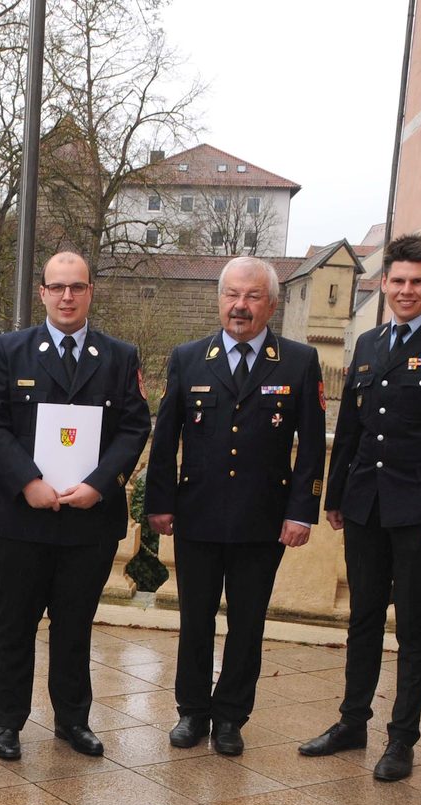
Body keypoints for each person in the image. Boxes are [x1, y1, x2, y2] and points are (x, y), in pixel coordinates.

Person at [302, 234, 421, 781]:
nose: (405, 290)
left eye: (417, 281)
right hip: (366, 504)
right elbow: (354, 428)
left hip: (420, 510)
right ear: (383, 284)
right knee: (362, 616)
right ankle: (351, 722)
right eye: (397, 281)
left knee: (412, 623)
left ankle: (402, 739)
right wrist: (336, 495)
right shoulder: (369, 344)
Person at [0, 251, 151, 760]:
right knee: (14, 623)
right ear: (43, 292)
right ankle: (6, 724)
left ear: (91, 291)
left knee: (75, 625)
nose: (67, 296)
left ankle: (73, 720)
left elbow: (135, 427)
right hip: (18, 518)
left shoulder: (119, 356)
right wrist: (27, 481)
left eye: (77, 287)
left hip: (89, 520)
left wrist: (101, 482)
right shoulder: (6, 351)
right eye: (57, 287)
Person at [146, 256, 325, 757]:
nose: (240, 306)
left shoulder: (297, 361)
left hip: (261, 520)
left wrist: (301, 511)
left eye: (251, 297)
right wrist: (159, 502)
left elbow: (310, 447)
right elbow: (165, 439)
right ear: (219, 299)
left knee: (248, 623)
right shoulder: (188, 358)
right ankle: (192, 712)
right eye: (231, 295)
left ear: (270, 303)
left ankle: (230, 717)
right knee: (195, 619)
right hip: (197, 514)